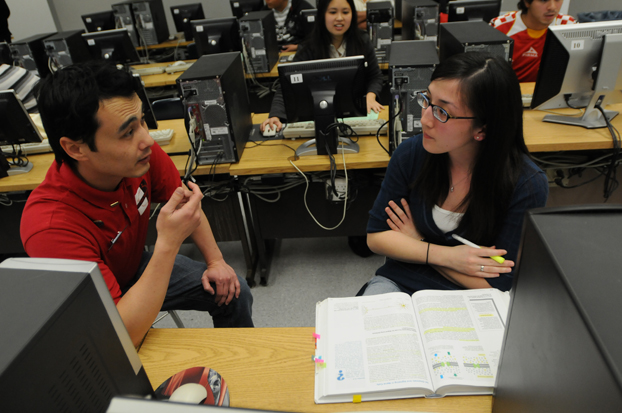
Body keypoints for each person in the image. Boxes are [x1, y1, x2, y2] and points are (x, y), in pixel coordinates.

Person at [20, 61, 254, 345]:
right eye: (127, 132)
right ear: (75, 148)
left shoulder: (139, 157)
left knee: (232, 290)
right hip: (92, 309)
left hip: (132, 267)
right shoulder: (50, 226)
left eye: (142, 121)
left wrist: (216, 261)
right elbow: (121, 336)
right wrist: (167, 244)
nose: (147, 139)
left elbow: (185, 204)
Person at [363, 52, 548, 296]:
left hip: (472, 299)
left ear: (482, 128)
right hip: (400, 282)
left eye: (442, 112)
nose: (426, 120)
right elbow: (377, 237)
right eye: (427, 101)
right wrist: (448, 256)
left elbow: (498, 283)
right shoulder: (411, 154)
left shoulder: (526, 184)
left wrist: (415, 244)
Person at [261, 0, 384, 133]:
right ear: (322, 15)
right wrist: (275, 115)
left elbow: (375, 76)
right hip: (319, 121)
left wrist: (370, 97)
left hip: (357, 120)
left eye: (345, 12)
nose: (339, 18)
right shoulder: (308, 47)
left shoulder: (363, 40)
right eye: (332, 12)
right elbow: (286, 86)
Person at [490, 0, 575, 83]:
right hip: (509, 92)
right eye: (543, 0)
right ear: (527, 2)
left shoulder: (568, 26)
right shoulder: (500, 27)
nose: (552, 7)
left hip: (550, 92)